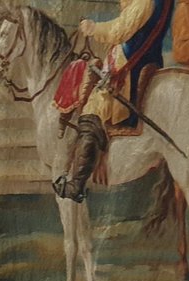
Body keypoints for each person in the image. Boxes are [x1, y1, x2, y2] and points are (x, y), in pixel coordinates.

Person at [53, 0, 173, 202]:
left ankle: (77, 184)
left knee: (93, 109)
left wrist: (93, 28)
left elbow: (120, 30)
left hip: (129, 68)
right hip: (140, 59)